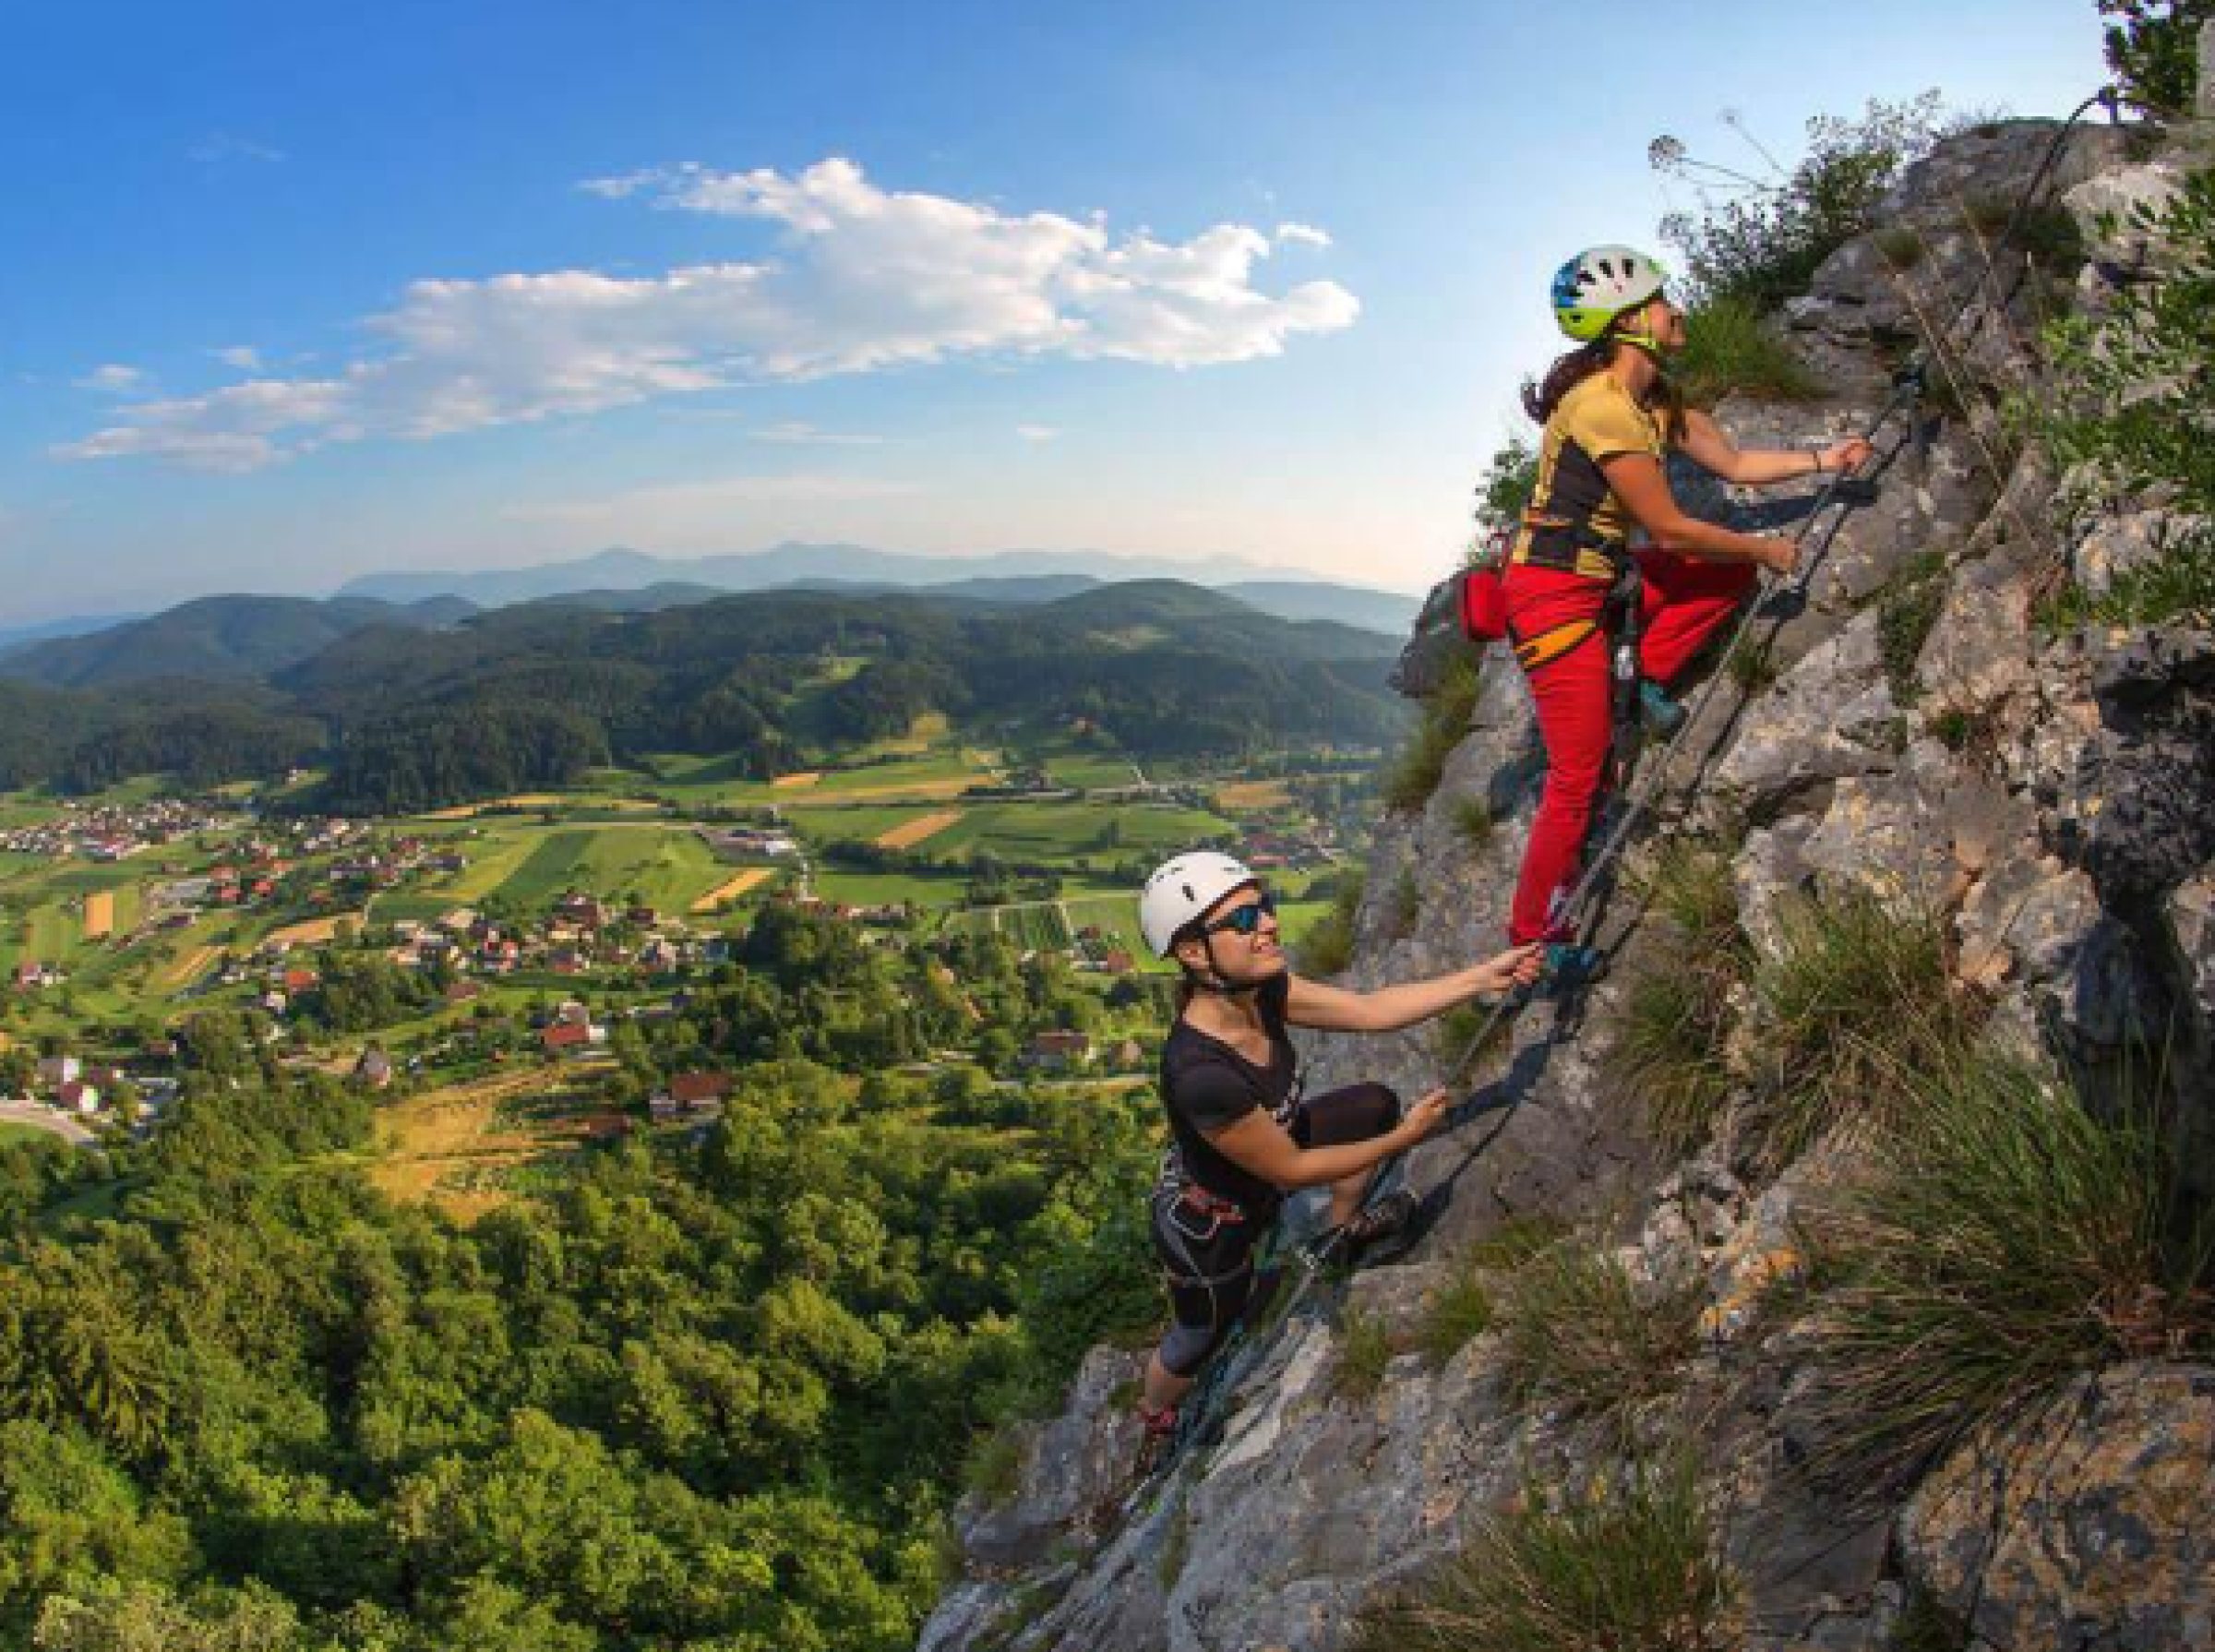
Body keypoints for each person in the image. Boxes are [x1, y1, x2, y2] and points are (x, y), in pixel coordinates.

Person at [1505, 245, 1873, 961]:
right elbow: (1671, 526)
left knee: (1720, 573)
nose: (1678, 310)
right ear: (1633, 320)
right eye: (1664, 300)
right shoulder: (1603, 409)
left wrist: (1826, 459)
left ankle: (1642, 673)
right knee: (1579, 773)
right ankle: (1532, 939)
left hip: (1592, 579)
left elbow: (1733, 464)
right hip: (1551, 597)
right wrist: (1764, 550)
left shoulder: (1654, 401)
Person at [1131, 849, 1543, 1447]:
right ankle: (1155, 1417)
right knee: (1202, 1333)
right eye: (1244, 921)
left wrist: (1483, 977)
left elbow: (1373, 1011)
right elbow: (1294, 1170)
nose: (1269, 923)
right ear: (1194, 953)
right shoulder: (1200, 1073)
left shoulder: (1263, 991)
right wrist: (1405, 1138)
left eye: (1264, 907)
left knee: (1372, 1104)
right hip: (1212, 1223)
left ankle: (1340, 1234)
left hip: (1263, 1167)